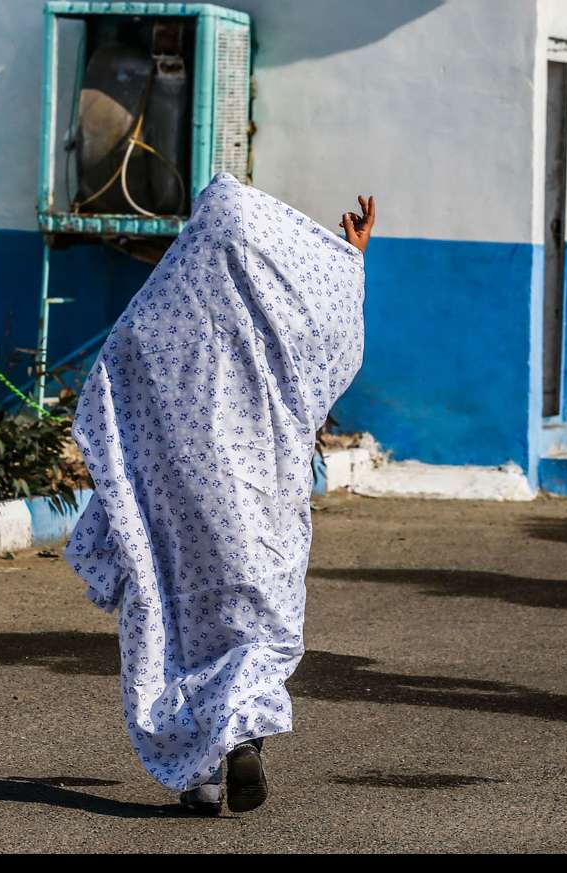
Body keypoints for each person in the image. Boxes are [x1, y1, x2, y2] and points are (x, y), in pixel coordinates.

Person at [65, 172, 375, 814]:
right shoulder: (284, 313)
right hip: (262, 498)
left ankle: (198, 776)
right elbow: (335, 360)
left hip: (179, 504)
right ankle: (244, 739)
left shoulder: (169, 303)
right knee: (261, 624)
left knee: (174, 622)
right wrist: (351, 262)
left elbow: (115, 374)